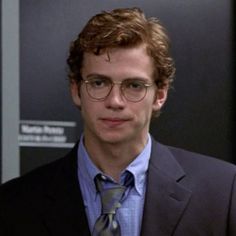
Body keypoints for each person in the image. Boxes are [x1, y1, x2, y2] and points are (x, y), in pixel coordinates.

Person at [0, 7, 235, 236]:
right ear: (75, 90)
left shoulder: (224, 192)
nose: (115, 101)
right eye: (99, 83)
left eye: (134, 85)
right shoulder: (14, 203)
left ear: (160, 95)